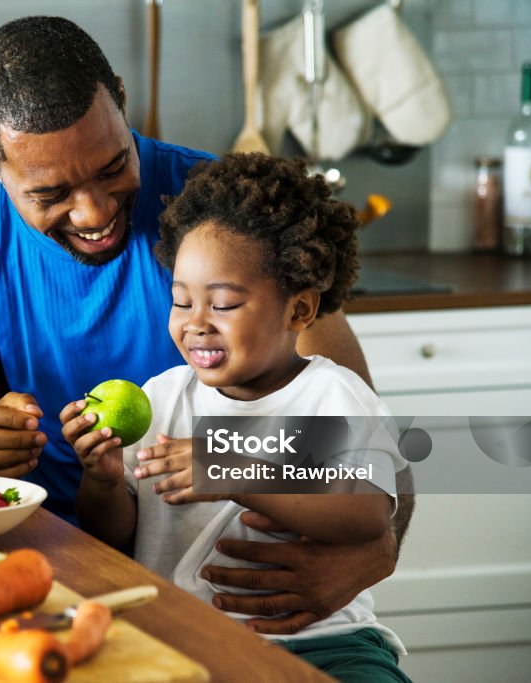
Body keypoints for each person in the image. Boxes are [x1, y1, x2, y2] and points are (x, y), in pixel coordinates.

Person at [0, 15, 414, 635]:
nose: (95, 211)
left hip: (253, 608)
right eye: (51, 192)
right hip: (39, 576)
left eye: (113, 166)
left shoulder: (224, 222)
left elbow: (371, 454)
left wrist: (372, 556)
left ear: (120, 96)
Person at [60, 152, 411, 682]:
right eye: (181, 302)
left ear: (298, 311)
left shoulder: (331, 396)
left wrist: (228, 468)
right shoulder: (163, 398)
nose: (196, 325)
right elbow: (116, 539)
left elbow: (367, 515)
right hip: (181, 638)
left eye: (222, 305)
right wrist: (104, 482)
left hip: (323, 642)